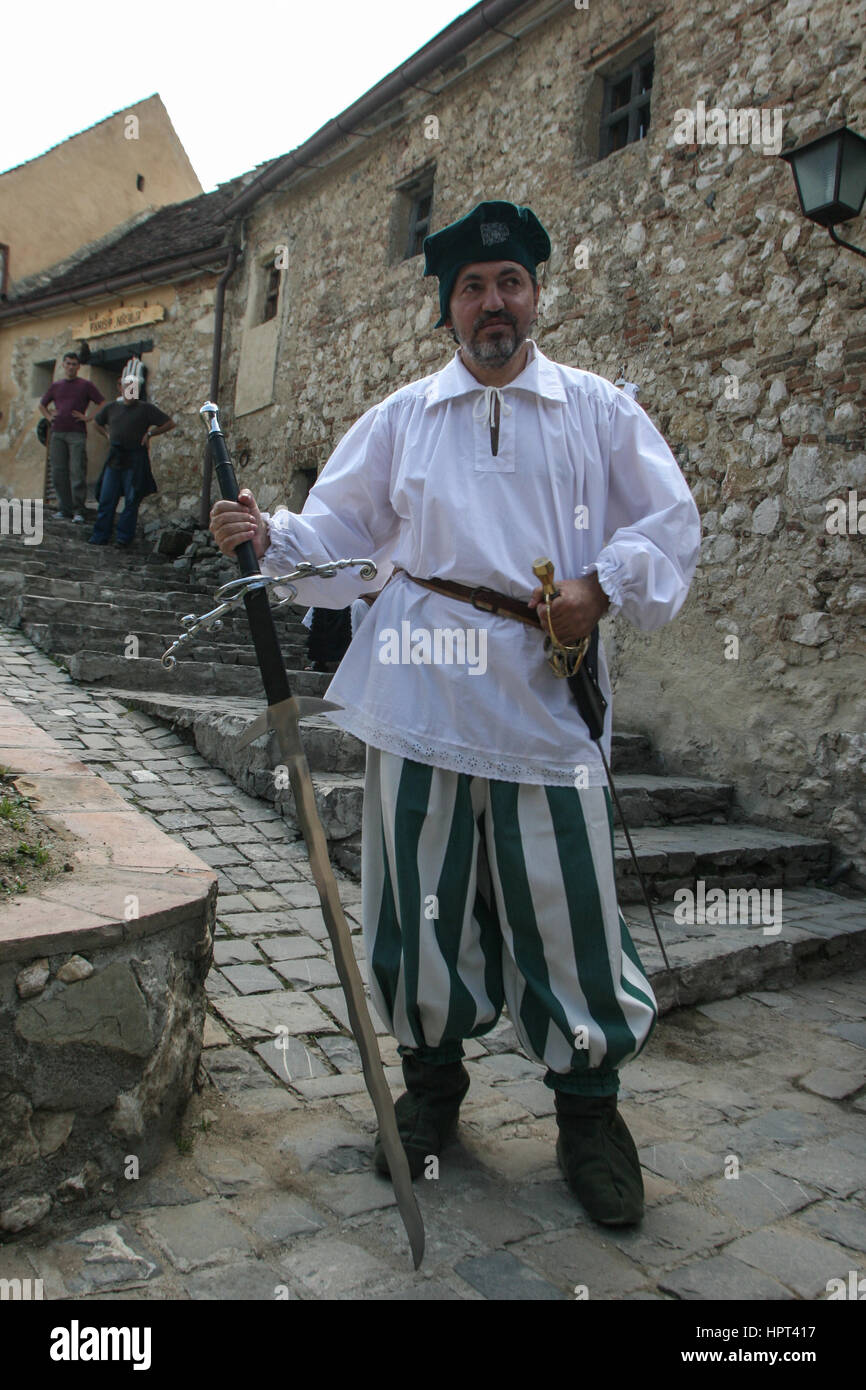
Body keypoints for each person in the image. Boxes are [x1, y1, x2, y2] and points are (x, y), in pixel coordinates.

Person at [210, 200, 702, 1227]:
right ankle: (431, 1091)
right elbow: (339, 537)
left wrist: (598, 588)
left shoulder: (598, 411)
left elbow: (666, 524)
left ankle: (587, 1111)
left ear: (535, 296)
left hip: (541, 699)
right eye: (472, 287)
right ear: (448, 310)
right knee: (416, 903)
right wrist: (266, 533)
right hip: (419, 691)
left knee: (563, 907)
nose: (492, 303)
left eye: (509, 282)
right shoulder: (401, 418)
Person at [89, 377, 175, 546]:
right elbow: (96, 423)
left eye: (134, 386)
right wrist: (107, 434)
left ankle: (123, 538)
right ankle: (100, 536)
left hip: (135, 458)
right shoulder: (111, 408)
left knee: (131, 499)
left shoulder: (145, 409)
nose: (130, 389)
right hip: (115, 457)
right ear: (120, 387)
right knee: (107, 497)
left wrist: (150, 434)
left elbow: (169, 423)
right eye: (127, 386)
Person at [39, 352, 105, 522]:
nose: (70, 367)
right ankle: (64, 509)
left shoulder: (85, 385)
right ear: (63, 365)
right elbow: (42, 405)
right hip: (57, 432)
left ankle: (79, 510)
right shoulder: (56, 386)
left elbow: (102, 403)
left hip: (77, 432)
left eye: (74, 364)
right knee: (58, 471)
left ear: (78, 367)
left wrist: (88, 417)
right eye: (68, 363)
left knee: (77, 470)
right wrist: (48, 417)